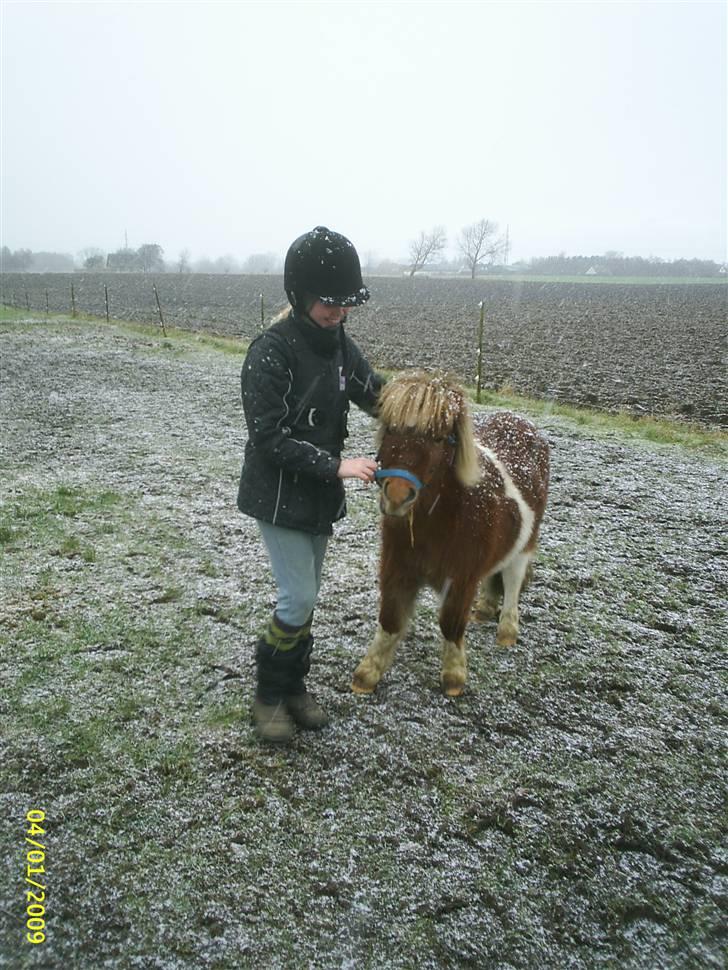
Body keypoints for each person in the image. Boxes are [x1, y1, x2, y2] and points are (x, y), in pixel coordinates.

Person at [237, 226, 383, 743]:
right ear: (299, 295)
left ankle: (293, 688)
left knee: (306, 596)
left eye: (345, 304)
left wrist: (423, 407)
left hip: (318, 495)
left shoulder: (340, 346)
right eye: (328, 302)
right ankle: (268, 696)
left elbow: (376, 395)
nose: (338, 313)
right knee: (297, 596)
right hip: (277, 496)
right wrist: (339, 465)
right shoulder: (270, 352)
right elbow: (269, 439)